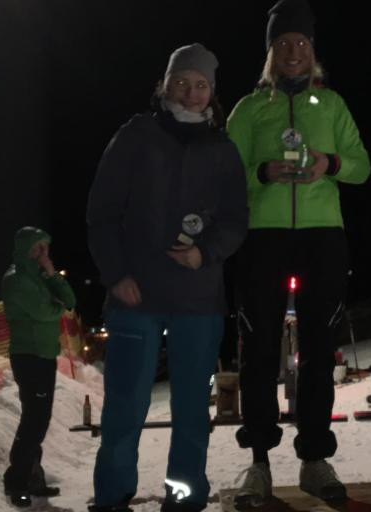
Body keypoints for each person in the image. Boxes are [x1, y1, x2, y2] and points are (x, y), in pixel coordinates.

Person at [86, 43, 248, 512]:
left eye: (201, 85)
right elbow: (101, 213)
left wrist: (205, 252)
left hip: (198, 300)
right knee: (125, 405)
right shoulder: (136, 136)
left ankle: (183, 497)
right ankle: (112, 497)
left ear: (212, 92)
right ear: (164, 85)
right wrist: (116, 275)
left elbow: (236, 219)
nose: (191, 93)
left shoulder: (223, 149)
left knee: (192, 410)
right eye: (182, 83)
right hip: (135, 297)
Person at [226, 0, 370, 507]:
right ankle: (259, 461)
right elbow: (224, 177)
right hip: (262, 238)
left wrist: (330, 163)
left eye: (302, 43)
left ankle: (314, 457)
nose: (293, 51)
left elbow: (362, 167)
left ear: (313, 50)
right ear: (271, 51)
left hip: (322, 238)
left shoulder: (331, 105)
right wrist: (261, 173)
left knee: (318, 349)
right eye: (283, 43)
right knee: (259, 349)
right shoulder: (249, 109)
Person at [1, 226, 76, 508]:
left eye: (45, 247)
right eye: (37, 247)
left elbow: (69, 301)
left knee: (39, 419)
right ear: (24, 248)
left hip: (44, 355)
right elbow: (45, 312)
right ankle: (17, 481)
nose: (42, 252)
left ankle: (32, 476)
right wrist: (56, 305)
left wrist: (51, 272)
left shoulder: (41, 276)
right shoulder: (16, 279)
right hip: (28, 355)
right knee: (34, 421)